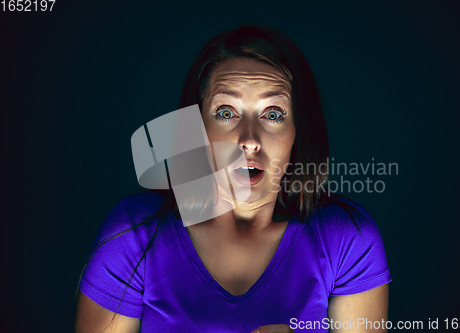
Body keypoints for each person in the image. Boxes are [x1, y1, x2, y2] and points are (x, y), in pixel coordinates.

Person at [75, 25, 391, 333]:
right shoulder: (134, 232)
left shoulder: (347, 238)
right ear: (195, 128)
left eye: (273, 113)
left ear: (298, 131)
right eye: (226, 112)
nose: (249, 139)